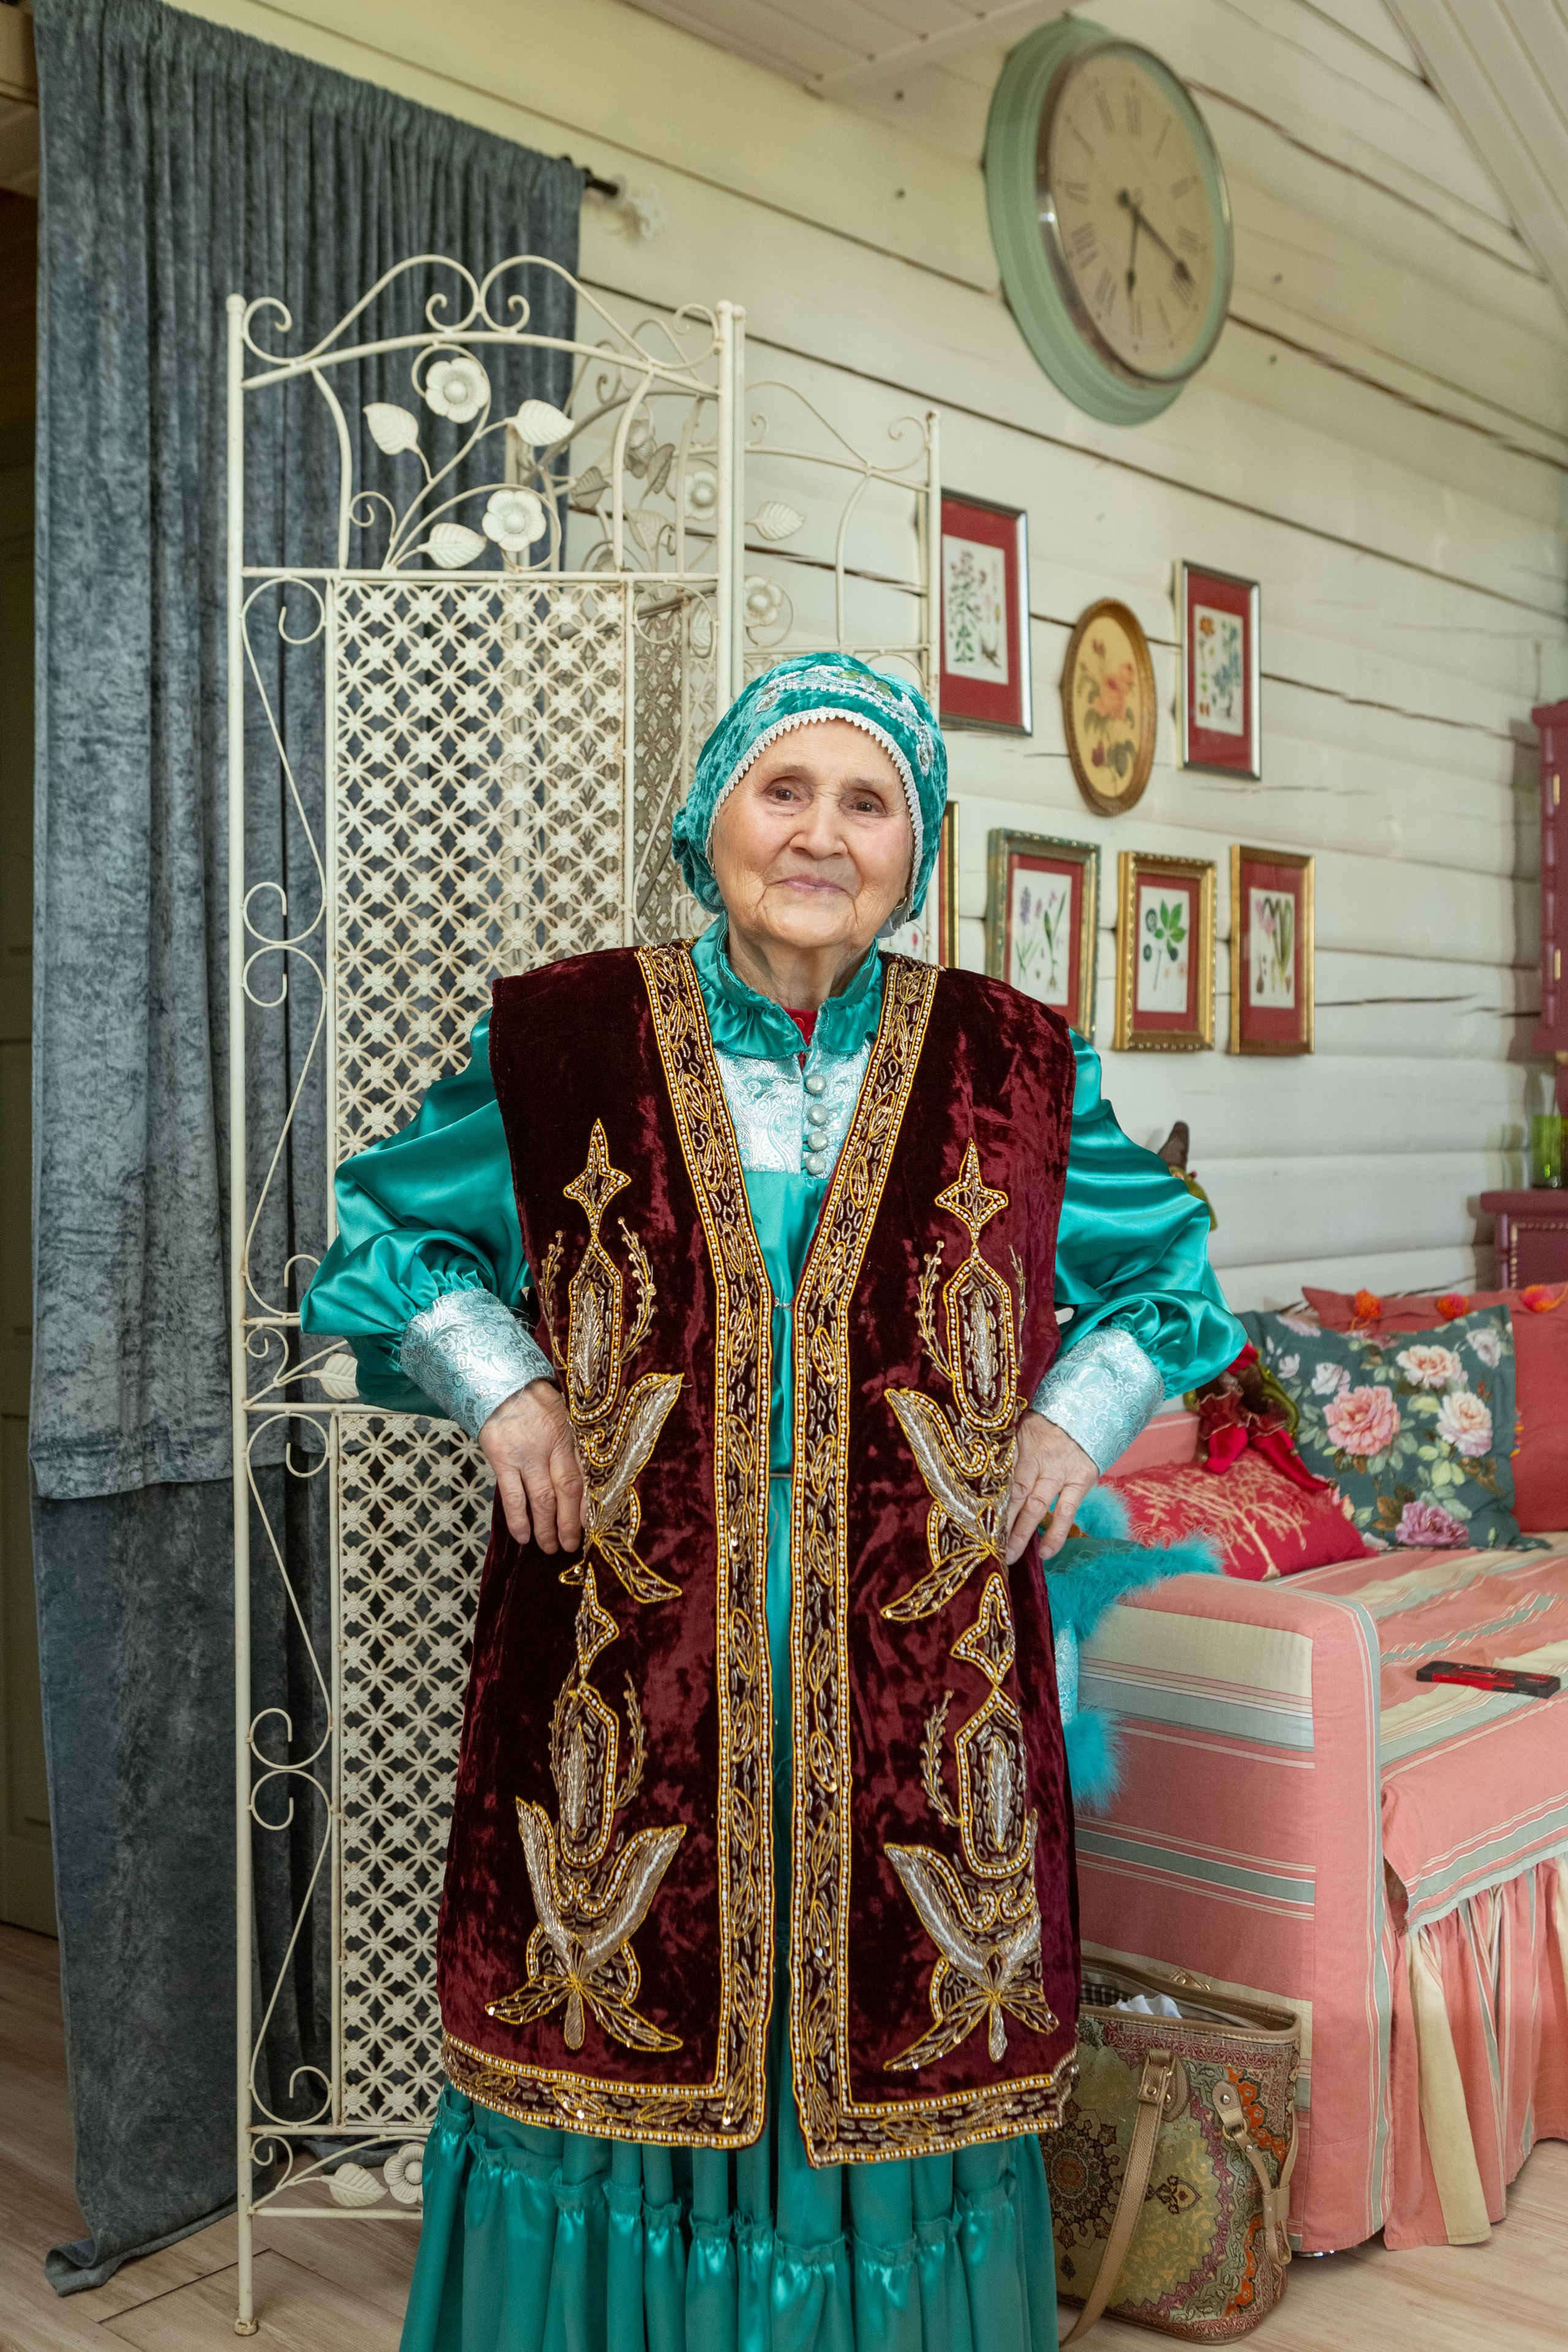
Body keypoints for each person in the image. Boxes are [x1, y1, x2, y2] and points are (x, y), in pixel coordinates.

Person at [303, 652, 1243, 2352]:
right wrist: (503, 1381)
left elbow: (1163, 1270)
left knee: (885, 2017)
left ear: (916, 845)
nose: (821, 836)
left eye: (867, 803)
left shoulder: (1014, 1064)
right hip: (622, 1666)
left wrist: (1069, 1422)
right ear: (708, 819)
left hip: (918, 1687)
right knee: (630, 2003)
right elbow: (387, 1241)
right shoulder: (562, 1032)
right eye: (782, 791)